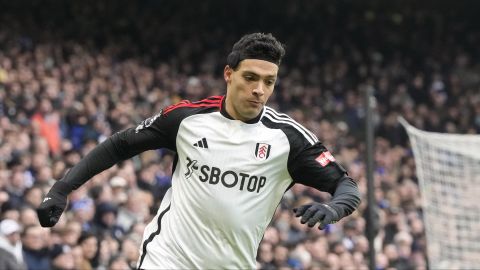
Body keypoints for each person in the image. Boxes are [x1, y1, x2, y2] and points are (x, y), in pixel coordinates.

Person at [36, 32, 361, 269]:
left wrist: (334, 208)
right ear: (228, 74)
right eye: (250, 78)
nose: (259, 90)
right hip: (167, 259)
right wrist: (62, 189)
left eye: (269, 81)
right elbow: (120, 144)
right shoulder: (188, 119)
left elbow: (347, 186)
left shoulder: (288, 139)